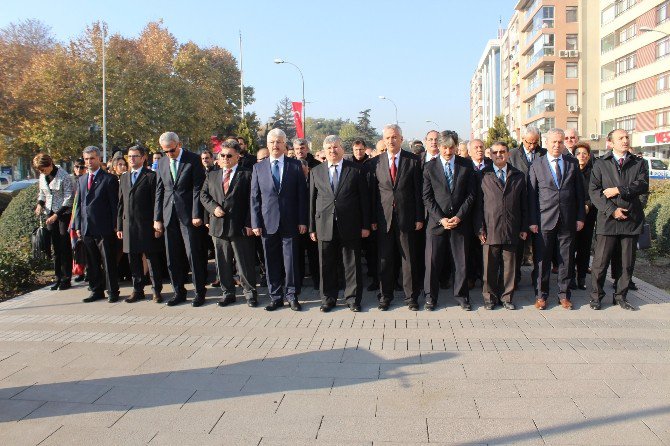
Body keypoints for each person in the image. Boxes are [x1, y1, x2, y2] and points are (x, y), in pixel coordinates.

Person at [589, 129, 649, 310]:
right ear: (610, 143)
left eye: (626, 138)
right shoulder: (600, 164)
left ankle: (621, 296)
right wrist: (612, 210)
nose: (625, 140)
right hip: (608, 220)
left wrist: (618, 190)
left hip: (630, 219)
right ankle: (596, 296)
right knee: (600, 262)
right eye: (620, 138)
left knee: (626, 262)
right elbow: (594, 191)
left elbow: (642, 184)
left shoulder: (639, 163)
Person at [309, 135, 370, 312]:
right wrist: (312, 227)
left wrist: (365, 225)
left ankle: (352, 299)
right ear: (324, 151)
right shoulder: (316, 171)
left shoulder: (356, 170)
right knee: (326, 264)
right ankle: (328, 298)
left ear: (342, 149)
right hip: (324, 225)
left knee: (351, 264)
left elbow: (364, 200)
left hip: (350, 225)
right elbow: (312, 201)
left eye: (335, 147)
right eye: (329, 148)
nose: (332, 151)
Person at [251, 128, 308, 311]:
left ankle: (291, 295)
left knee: (290, 261)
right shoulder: (258, 167)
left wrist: (302, 220)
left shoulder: (295, 165)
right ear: (267, 145)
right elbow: (255, 198)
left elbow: (302, 195)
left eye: (279, 142)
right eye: (272, 142)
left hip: (291, 222)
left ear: (285, 145)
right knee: (271, 261)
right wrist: (255, 223)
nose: (275, 145)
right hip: (268, 224)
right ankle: (275, 296)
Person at [528, 128, 585, 310]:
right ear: (546, 143)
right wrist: (533, 220)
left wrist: (580, 217)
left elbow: (579, 194)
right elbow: (531, 195)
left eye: (560, 142)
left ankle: (564, 295)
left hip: (567, 220)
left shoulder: (572, 163)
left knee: (566, 260)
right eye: (553, 142)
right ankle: (541, 296)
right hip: (544, 220)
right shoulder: (537, 164)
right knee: (542, 260)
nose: (557, 145)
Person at [370, 124, 424, 311]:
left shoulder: (413, 161)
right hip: (384, 219)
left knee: (409, 260)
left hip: (407, 218)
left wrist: (419, 217)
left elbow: (418, 191)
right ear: (383, 140)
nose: (391, 141)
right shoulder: (376, 162)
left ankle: (411, 297)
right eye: (387, 138)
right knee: (385, 259)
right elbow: (374, 194)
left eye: (394, 137)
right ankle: (385, 296)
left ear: (401, 139)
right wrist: (373, 219)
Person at [422, 130, 477, 311]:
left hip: (459, 222)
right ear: (439, 146)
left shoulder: (466, 165)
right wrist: (441, 219)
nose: (447, 151)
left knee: (460, 262)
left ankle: (462, 296)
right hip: (437, 224)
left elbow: (471, 194)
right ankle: (431, 298)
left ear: (455, 147)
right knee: (432, 262)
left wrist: (459, 216)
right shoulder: (429, 167)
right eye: (444, 148)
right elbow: (427, 197)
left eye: (451, 147)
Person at [201, 139, 258, 307]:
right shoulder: (212, 174)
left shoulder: (247, 174)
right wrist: (213, 208)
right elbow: (203, 196)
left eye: (228, 155)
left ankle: (250, 294)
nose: (225, 158)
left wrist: (249, 223)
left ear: (237, 157)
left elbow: (252, 200)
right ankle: (228, 293)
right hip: (218, 226)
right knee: (222, 262)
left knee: (244, 262)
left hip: (240, 226)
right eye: (222, 155)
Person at [153, 131, 207, 307]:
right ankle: (179, 292)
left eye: (171, 150)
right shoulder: (161, 163)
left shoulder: (193, 159)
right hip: (169, 216)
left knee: (193, 254)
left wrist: (196, 213)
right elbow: (160, 191)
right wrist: (157, 218)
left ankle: (199, 292)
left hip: (189, 216)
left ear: (179, 144)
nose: (169, 154)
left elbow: (198, 188)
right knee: (172, 257)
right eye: (165, 151)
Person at [475, 141, 528, 310]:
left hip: (512, 228)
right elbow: (478, 205)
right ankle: (489, 298)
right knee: (489, 266)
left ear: (508, 154)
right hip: (490, 228)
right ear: (490, 155)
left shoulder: (518, 175)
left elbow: (524, 204)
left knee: (510, 267)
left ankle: (507, 298)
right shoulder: (483, 175)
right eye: (496, 152)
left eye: (502, 152)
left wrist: (523, 227)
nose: (499, 155)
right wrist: (480, 228)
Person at [117, 145, 164, 303]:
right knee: (133, 259)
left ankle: (156, 290)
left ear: (144, 158)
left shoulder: (151, 176)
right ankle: (138, 290)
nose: (131, 159)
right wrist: (119, 225)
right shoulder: (124, 177)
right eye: (129, 156)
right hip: (128, 225)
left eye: (135, 156)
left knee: (151, 259)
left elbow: (157, 202)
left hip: (146, 224)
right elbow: (121, 203)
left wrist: (157, 222)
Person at [73, 146, 120, 302]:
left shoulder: (109, 179)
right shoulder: (81, 179)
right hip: (86, 228)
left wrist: (116, 225)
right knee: (92, 263)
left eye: (92, 158)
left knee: (108, 261)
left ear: (99, 159)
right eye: (86, 159)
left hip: (104, 227)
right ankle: (96, 290)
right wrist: (78, 225)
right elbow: (79, 204)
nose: (88, 162)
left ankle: (113, 291)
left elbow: (115, 205)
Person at [508, 126, 546, 288]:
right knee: (518, 245)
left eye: (535, 143)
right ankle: (514, 278)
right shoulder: (512, 154)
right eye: (528, 143)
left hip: (540, 205)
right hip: (519, 204)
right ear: (522, 139)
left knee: (540, 245)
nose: (531, 146)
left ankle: (537, 278)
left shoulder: (543, 153)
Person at [34, 153, 75, 291]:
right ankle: (57, 278)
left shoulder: (64, 176)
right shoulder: (42, 176)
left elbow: (69, 198)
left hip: (62, 214)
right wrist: (40, 204)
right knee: (55, 247)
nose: (42, 172)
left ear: (50, 164)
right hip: (49, 214)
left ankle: (66, 278)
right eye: (40, 170)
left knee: (64, 246)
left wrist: (57, 215)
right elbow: (42, 193)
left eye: (43, 169)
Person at [293, 137, 321, 291]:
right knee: (296, 254)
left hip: (313, 216)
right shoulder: (290, 165)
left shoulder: (317, 166)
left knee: (314, 253)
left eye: (302, 148)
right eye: (297, 149)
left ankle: (318, 281)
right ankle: (298, 282)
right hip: (295, 217)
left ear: (307, 149)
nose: (300, 151)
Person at [569, 141, 596, 290]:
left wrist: (588, 204)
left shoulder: (594, 172)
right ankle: (570, 276)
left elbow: (597, 191)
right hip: (571, 214)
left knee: (584, 247)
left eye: (584, 154)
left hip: (588, 214)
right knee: (570, 246)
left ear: (589, 156)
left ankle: (581, 277)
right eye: (578, 153)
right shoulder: (570, 170)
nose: (581, 156)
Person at [467, 138, 491, 289]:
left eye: (481, 147)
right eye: (475, 148)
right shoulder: (463, 166)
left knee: (485, 248)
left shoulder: (491, 165)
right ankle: (470, 277)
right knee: (469, 249)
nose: (479, 150)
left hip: (487, 212)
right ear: (469, 151)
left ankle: (485, 278)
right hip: (468, 213)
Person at [70, 158, 87, 283]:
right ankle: (79, 270)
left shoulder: (86, 180)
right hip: (74, 217)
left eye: (82, 167)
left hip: (84, 218)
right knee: (76, 246)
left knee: (86, 246)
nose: (79, 169)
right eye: (77, 167)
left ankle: (87, 271)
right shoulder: (71, 181)